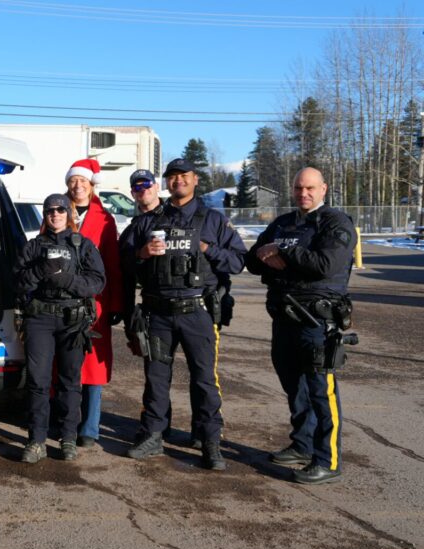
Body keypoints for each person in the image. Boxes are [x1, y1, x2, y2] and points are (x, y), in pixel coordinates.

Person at [119, 158, 247, 471]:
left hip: (198, 312)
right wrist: (141, 253)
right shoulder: (150, 220)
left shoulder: (212, 220)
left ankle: (208, 439)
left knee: (204, 379)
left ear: (194, 180)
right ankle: (153, 434)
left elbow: (238, 261)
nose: (178, 181)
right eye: (172, 177)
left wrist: (207, 249)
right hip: (158, 312)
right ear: (167, 183)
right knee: (156, 378)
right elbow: (121, 259)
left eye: (184, 176)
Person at [244, 167, 356, 485]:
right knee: (295, 387)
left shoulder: (335, 222)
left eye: (309, 188)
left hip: (316, 321)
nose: (303, 194)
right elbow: (252, 260)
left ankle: (328, 459)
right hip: (284, 318)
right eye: (297, 188)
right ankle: (302, 446)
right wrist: (274, 254)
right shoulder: (283, 223)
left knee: (322, 391)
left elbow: (326, 265)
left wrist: (283, 252)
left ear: (323, 189)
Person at [14, 193, 106, 463]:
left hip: (72, 320)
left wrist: (67, 279)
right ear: (45, 215)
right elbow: (18, 284)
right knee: (38, 382)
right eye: (50, 210)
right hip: (39, 319)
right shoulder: (33, 247)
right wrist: (40, 271)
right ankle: (36, 440)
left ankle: (68, 438)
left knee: (69, 381)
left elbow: (97, 282)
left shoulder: (83, 246)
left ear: (69, 213)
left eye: (60, 210)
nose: (55, 214)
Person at [63, 159, 122, 448]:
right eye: (73, 181)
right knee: (64, 363)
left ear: (91, 185)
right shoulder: (57, 212)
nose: (77, 186)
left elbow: (113, 264)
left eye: (82, 182)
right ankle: (66, 422)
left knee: (93, 367)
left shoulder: (105, 219)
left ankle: (89, 428)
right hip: (60, 300)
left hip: (94, 302)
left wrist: (114, 305)